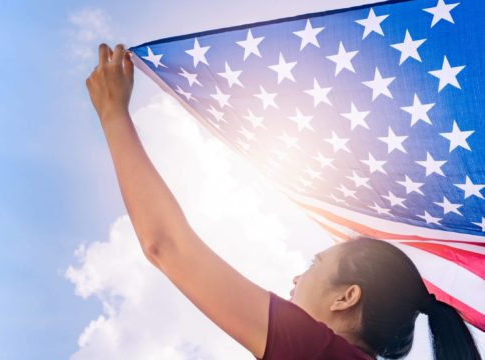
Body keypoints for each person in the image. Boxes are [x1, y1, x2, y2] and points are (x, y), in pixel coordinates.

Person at [85, 43, 482, 360]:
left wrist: (113, 114)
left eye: (315, 264)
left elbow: (166, 245)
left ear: (347, 297)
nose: (296, 278)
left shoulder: (316, 349)